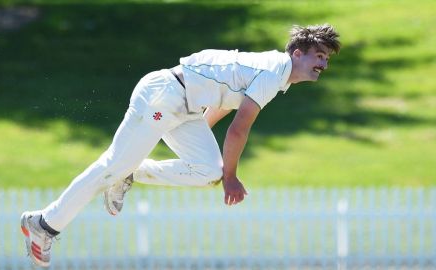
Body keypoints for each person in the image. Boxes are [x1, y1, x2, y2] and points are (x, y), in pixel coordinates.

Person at [20, 23, 341, 267]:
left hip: (184, 104)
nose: (323, 65)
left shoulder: (274, 71)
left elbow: (224, 103)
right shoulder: (275, 71)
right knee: (111, 166)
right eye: (319, 56)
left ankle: (129, 174)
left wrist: (218, 166)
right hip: (166, 95)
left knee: (207, 170)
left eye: (326, 60)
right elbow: (238, 131)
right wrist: (231, 178)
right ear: (297, 53)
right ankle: (44, 224)